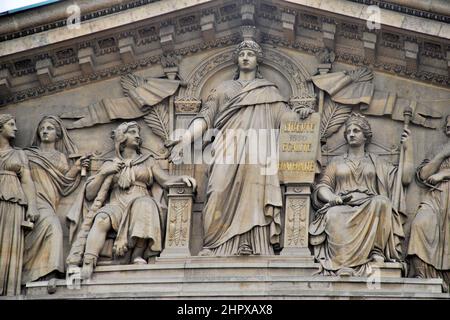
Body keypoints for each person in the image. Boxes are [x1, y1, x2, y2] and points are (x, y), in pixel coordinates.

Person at [170, 39, 296, 256]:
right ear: (237, 59)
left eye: (250, 54)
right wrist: (185, 139)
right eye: (242, 54)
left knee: (256, 193)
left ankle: (254, 244)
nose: (246, 57)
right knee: (217, 189)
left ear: (258, 60)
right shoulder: (223, 88)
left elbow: (285, 120)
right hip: (226, 148)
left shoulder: (269, 91)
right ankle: (213, 245)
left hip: (259, 151)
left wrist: (300, 115)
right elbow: (206, 118)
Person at [66, 121, 196, 279]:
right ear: (121, 137)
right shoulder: (110, 163)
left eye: (138, 133)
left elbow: (165, 180)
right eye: (132, 132)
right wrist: (103, 173)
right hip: (116, 203)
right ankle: (88, 261)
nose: (137, 135)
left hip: (140, 199)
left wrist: (181, 178)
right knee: (101, 218)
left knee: (145, 205)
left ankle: (137, 254)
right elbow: (89, 194)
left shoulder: (148, 160)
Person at [309, 113, 414, 276]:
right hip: (342, 206)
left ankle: (376, 252)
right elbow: (323, 187)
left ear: (365, 136)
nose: (351, 133)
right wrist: (333, 198)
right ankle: (341, 262)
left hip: (370, 207)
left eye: (356, 130)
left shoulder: (377, 161)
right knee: (333, 214)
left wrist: (409, 148)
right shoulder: (336, 162)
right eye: (348, 131)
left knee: (382, 202)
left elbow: (405, 178)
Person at [22, 116, 90, 284]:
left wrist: (76, 168)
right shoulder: (27, 154)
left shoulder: (61, 157)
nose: (45, 130)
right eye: (42, 127)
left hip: (50, 199)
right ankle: (50, 273)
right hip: (31, 199)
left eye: (50, 128)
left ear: (58, 134)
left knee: (47, 229)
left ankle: (38, 273)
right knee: (53, 227)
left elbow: (64, 183)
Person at [407, 122, 450, 292]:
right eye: (447, 122)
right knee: (419, 224)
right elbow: (424, 175)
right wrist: (442, 154)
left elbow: (437, 175)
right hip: (436, 196)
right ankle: (423, 276)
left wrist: (444, 174)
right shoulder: (438, 148)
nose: (448, 124)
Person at [0, 114, 39, 296]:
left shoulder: (19, 154)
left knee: (9, 245)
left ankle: (6, 291)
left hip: (13, 202)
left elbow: (27, 181)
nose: (15, 128)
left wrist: (32, 205)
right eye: (11, 124)